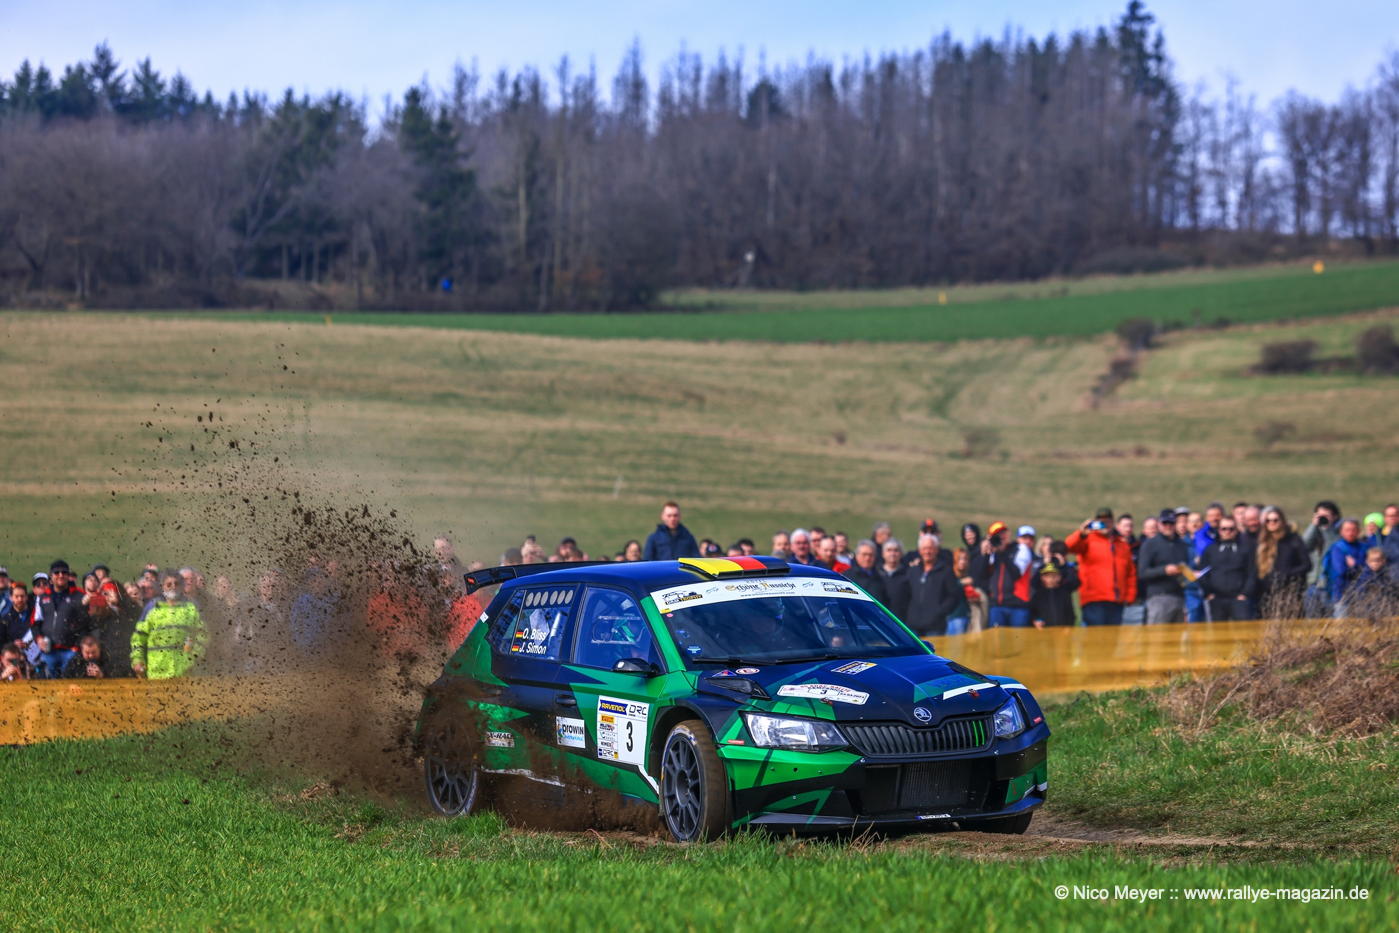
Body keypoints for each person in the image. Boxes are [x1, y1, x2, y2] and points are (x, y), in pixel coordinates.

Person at [1064, 507, 1138, 626]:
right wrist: (1080, 533)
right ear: (1096, 523)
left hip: (1117, 602)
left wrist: (1130, 596)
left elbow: (1130, 573)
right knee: (1095, 636)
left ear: (1113, 523)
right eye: (1101, 522)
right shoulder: (1087, 540)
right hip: (1094, 600)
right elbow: (1068, 547)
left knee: (1113, 637)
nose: (1105, 525)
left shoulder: (1122, 545)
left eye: (1108, 521)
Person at [131, 572, 207, 679]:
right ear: (162, 587)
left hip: (184, 674)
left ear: (181, 586)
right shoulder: (152, 609)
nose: (173, 587)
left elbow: (202, 636)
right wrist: (138, 660)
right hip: (157, 673)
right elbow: (139, 638)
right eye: (169, 584)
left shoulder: (191, 609)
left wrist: (192, 658)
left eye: (176, 584)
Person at [1255, 506, 1311, 618]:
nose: (1271, 523)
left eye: (1275, 520)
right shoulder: (1262, 542)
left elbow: (1307, 565)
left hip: (1291, 593)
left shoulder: (1293, 540)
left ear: (1282, 521)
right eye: (1268, 521)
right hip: (1267, 595)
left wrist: (1287, 574)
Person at [1137, 509, 1191, 624]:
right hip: (1158, 597)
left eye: (1171, 523)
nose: (1168, 526)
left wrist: (1190, 574)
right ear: (1159, 524)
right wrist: (1164, 570)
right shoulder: (1150, 544)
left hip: (1179, 598)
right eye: (1165, 523)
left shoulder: (1182, 544)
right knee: (1158, 634)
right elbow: (1142, 573)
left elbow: (1184, 569)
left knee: (1177, 635)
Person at [973, 522, 1030, 628]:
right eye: (997, 535)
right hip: (997, 604)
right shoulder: (993, 552)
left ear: (1009, 533)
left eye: (1003, 533)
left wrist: (1002, 552)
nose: (1001, 537)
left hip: (1018, 604)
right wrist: (986, 554)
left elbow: (1016, 573)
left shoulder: (1020, 548)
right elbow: (982, 575)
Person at [904, 534, 962, 637]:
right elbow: (906, 594)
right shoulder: (913, 571)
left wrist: (940, 612)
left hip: (935, 627)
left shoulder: (946, 571)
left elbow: (954, 596)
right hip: (913, 626)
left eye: (930, 548)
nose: (927, 551)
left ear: (936, 550)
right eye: (924, 548)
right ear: (920, 551)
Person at [1199, 517, 1256, 620]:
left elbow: (1252, 573)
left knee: (1242, 629)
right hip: (1216, 599)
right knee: (1217, 629)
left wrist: (1245, 594)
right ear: (1219, 530)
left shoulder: (1245, 549)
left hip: (1239, 599)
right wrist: (1208, 593)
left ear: (1236, 530)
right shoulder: (1210, 550)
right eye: (1224, 529)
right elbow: (1203, 573)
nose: (1227, 532)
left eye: (1231, 529)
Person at [1301, 500, 1341, 617]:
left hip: (1331, 585)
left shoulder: (1338, 533)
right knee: (1312, 621)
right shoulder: (1313, 532)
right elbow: (1304, 545)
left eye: (1326, 515)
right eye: (1320, 515)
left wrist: (1327, 529)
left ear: (1335, 517)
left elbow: (1333, 547)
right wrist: (1313, 525)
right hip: (1312, 584)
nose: (1323, 518)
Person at [1338, 548, 1399, 618]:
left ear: (1383, 561)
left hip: (1383, 609)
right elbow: (1360, 594)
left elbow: (1391, 592)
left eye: (1378, 561)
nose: (1375, 563)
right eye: (1372, 561)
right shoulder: (1364, 577)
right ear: (1367, 562)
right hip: (1366, 610)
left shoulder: (1386, 576)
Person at [1324, 519, 1369, 610]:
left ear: (1358, 531)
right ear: (1341, 532)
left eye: (1353, 530)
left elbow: (1370, 568)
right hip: (1341, 593)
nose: (1350, 533)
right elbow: (1341, 571)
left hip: (1362, 592)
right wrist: (1360, 567)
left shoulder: (1364, 547)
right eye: (1347, 530)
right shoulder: (1337, 548)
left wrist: (1355, 564)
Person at [1029, 562, 1078, 627]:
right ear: (1042, 577)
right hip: (1044, 631)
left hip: (1063, 630)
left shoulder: (1064, 594)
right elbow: (1033, 613)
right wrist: (1035, 621)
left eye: (1054, 576)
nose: (1051, 579)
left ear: (1059, 577)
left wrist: (1068, 627)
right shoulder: (1037, 595)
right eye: (1047, 576)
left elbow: (1070, 614)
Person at [843, 540, 888, 605]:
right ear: (857, 555)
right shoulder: (846, 577)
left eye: (871, 555)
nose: (867, 558)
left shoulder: (881, 577)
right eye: (864, 554)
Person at [878, 539, 911, 622]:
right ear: (883, 554)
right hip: (879, 620)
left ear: (901, 554)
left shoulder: (908, 573)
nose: (892, 553)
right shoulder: (876, 574)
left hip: (901, 622)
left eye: (896, 550)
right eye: (889, 550)